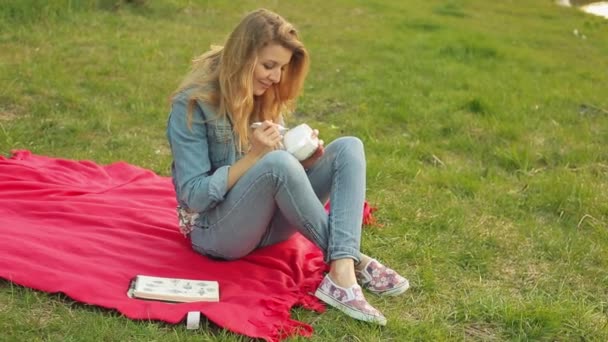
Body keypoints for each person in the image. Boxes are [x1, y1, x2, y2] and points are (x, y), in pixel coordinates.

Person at [166, 8, 409, 326]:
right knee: (276, 162)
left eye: (281, 68)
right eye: (269, 66)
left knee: (348, 147)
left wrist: (306, 159)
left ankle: (342, 270)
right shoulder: (193, 105)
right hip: (216, 233)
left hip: (267, 226)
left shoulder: (262, 93)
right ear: (243, 56)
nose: (276, 77)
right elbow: (194, 196)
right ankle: (349, 264)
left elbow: (275, 170)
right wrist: (254, 157)